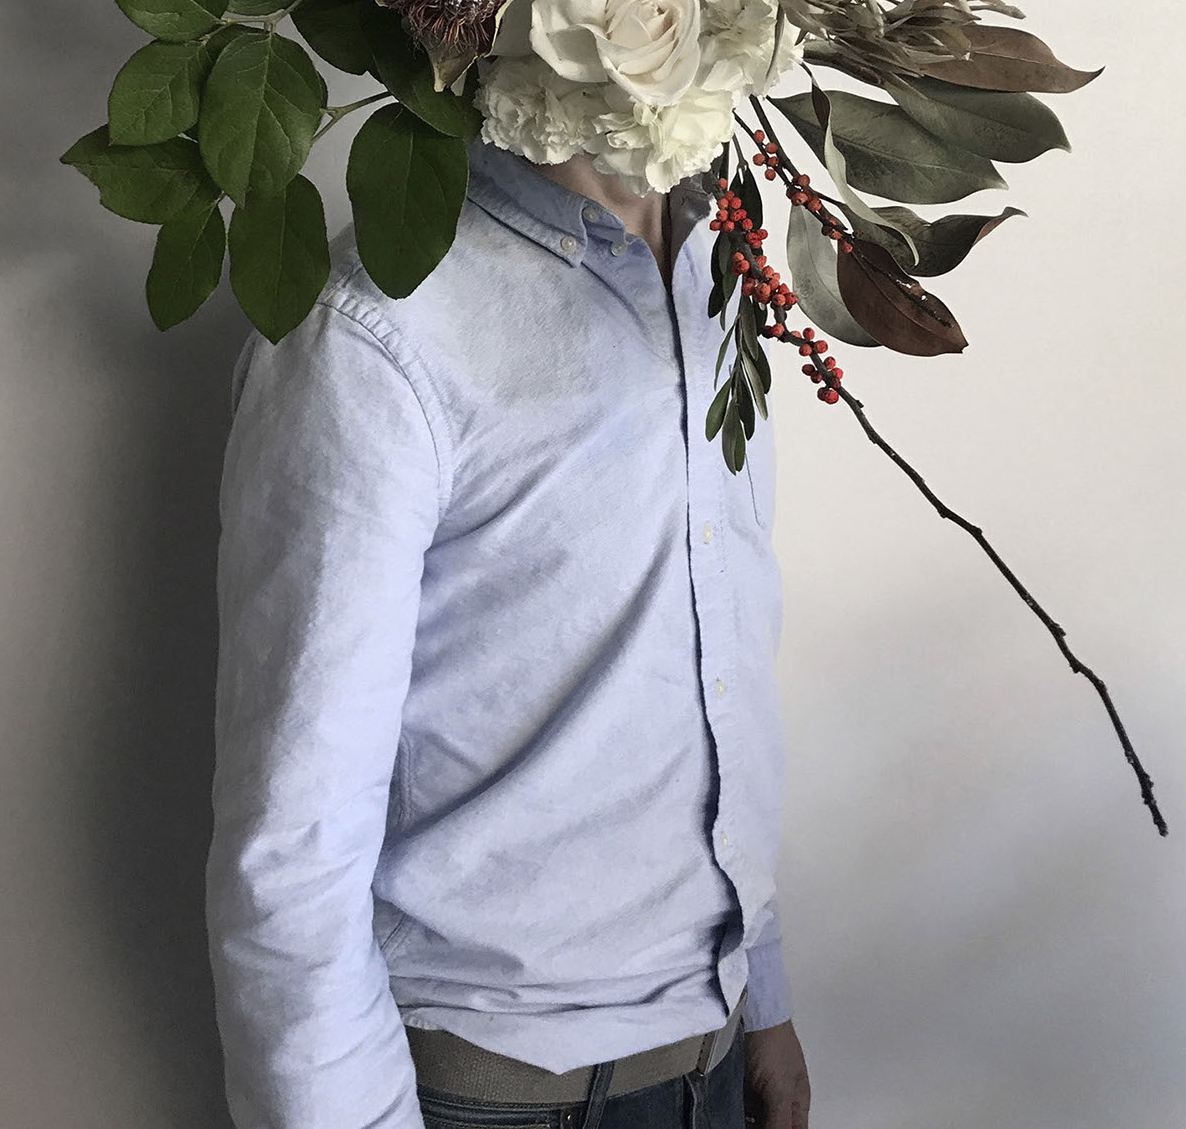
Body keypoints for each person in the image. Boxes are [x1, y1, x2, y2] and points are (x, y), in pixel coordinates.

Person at [205, 133, 813, 1129]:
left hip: (712, 1050)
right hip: (493, 1093)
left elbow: (717, 665)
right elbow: (294, 833)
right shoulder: (374, 324)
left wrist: (765, 997)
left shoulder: (719, 268)